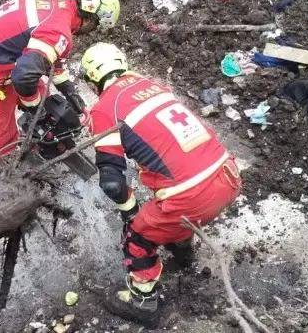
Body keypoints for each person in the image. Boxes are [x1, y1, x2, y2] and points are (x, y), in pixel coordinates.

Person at [80, 42, 241, 322]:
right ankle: (183, 257)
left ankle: (144, 302)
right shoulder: (152, 86)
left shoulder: (106, 108)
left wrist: (130, 212)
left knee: (138, 236)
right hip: (227, 174)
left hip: (192, 196)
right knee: (173, 212)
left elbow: (112, 184)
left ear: (93, 79)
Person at [0, 0, 119, 162]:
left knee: (44, 100)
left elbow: (46, 54)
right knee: (0, 142)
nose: (91, 31)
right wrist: (34, 108)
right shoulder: (59, 31)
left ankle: (37, 139)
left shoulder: (54, 0)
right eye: (95, 26)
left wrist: (70, 92)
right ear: (91, 20)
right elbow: (24, 77)